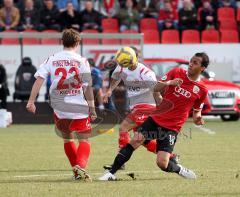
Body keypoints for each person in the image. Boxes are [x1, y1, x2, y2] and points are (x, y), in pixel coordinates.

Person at [99, 52, 209, 181]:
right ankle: (111, 173)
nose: (190, 64)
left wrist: (198, 118)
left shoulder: (202, 90)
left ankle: (179, 169)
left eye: (195, 63)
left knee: (162, 163)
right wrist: (169, 83)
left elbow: (197, 111)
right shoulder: (177, 72)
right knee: (135, 141)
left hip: (172, 128)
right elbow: (155, 88)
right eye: (191, 61)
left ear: (202, 68)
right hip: (156, 119)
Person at [26, 28, 96, 181]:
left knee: (67, 138)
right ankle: (81, 166)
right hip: (79, 107)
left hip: (60, 108)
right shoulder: (82, 60)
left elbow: (39, 80)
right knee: (84, 140)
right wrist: (92, 107)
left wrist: (31, 101)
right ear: (77, 43)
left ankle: (77, 173)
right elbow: (87, 87)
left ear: (62, 42)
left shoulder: (52, 58)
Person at [102, 46, 182, 170]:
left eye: (129, 63)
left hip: (146, 106)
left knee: (123, 127)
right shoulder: (122, 65)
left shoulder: (145, 73)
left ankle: (120, 161)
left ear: (136, 58)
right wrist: (109, 91)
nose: (127, 66)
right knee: (143, 140)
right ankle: (171, 157)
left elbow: (156, 90)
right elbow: (116, 78)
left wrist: (162, 105)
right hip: (136, 106)